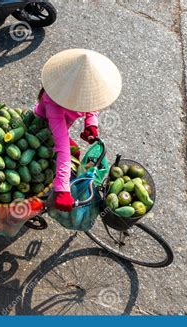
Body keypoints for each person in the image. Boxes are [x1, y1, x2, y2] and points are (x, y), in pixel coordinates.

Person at [34, 49, 122, 212]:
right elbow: (61, 146)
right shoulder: (54, 105)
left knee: (75, 155)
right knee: (66, 156)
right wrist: (62, 190)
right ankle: (45, 198)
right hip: (43, 132)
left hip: (59, 130)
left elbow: (93, 105)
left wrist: (91, 124)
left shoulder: (83, 93)